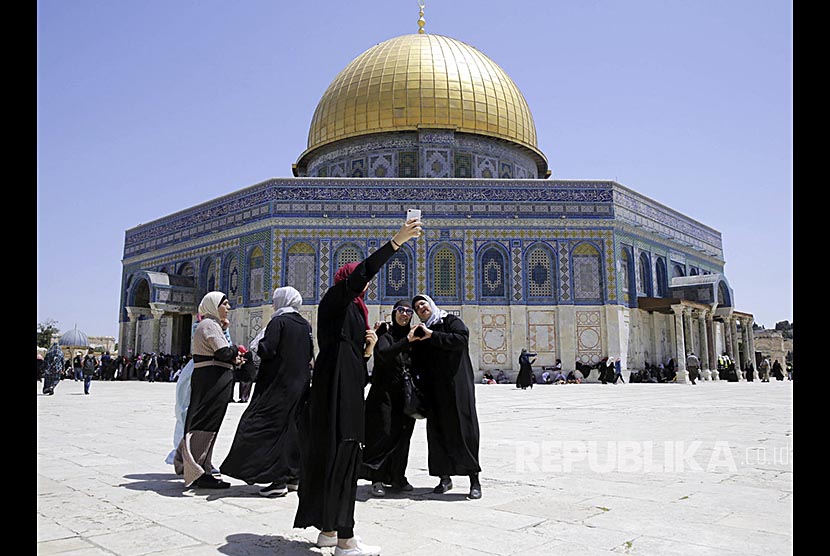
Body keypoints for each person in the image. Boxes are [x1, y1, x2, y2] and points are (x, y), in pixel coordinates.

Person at [294, 218, 421, 556]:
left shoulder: (350, 309)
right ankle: (345, 541)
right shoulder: (336, 298)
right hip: (336, 387)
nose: (366, 285)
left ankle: (328, 529)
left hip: (343, 380)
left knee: (333, 452)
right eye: (359, 280)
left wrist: (365, 349)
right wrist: (396, 242)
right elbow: (364, 272)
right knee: (345, 451)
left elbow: (347, 348)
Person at [221, 286, 314, 497]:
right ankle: (294, 476)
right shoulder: (304, 324)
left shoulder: (278, 322)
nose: (273, 304)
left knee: (261, 426)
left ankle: (276, 479)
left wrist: (256, 344)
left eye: (275, 300)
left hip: (277, 385)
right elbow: (309, 353)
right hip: (299, 386)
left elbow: (268, 350)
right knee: (291, 429)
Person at [409, 293, 482, 501]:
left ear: (431, 304)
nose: (421, 308)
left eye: (423, 303)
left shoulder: (449, 321)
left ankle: (474, 480)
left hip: (458, 387)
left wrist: (432, 336)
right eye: (417, 308)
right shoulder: (422, 331)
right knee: (438, 432)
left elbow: (460, 339)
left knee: (464, 430)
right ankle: (444, 478)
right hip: (435, 390)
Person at [173, 292, 239, 489]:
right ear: (213, 306)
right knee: (205, 424)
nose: (228, 307)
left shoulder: (213, 325)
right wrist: (237, 350)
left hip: (213, 381)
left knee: (206, 424)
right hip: (211, 382)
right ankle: (196, 470)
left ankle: (199, 465)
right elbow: (223, 352)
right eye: (224, 304)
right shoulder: (210, 325)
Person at [360, 300, 418, 498]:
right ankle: (377, 478)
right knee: (383, 435)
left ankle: (397, 477)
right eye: (400, 311)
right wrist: (406, 342)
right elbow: (383, 353)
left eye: (408, 312)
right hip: (383, 396)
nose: (404, 314)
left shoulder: (414, 336)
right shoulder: (385, 335)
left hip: (405, 397)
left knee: (403, 437)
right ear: (394, 313)